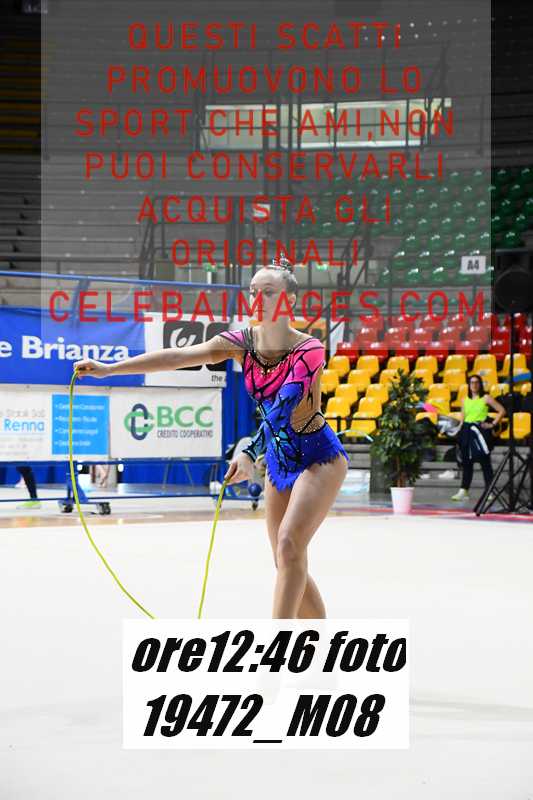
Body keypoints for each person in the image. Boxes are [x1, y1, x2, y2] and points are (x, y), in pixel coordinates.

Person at [73, 257, 349, 619]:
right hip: (279, 459)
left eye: (268, 292)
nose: (257, 299)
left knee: (288, 544)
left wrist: (249, 450)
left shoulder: (309, 348)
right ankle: (318, 637)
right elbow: (177, 357)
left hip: (318, 456)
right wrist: (110, 370)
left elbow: (285, 404)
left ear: (290, 299)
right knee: (286, 557)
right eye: (253, 291)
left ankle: (277, 644)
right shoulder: (241, 343)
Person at [451, 374, 505, 501]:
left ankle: (490, 491)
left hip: (480, 432)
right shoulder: (464, 400)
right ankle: (463, 491)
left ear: (480, 384)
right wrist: (457, 430)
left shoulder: (486, 398)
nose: (474, 385)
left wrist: (492, 424)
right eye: (472, 382)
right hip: (467, 432)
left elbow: (502, 411)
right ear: (469, 385)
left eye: (476, 382)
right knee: (466, 463)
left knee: (485, 462)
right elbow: (463, 419)